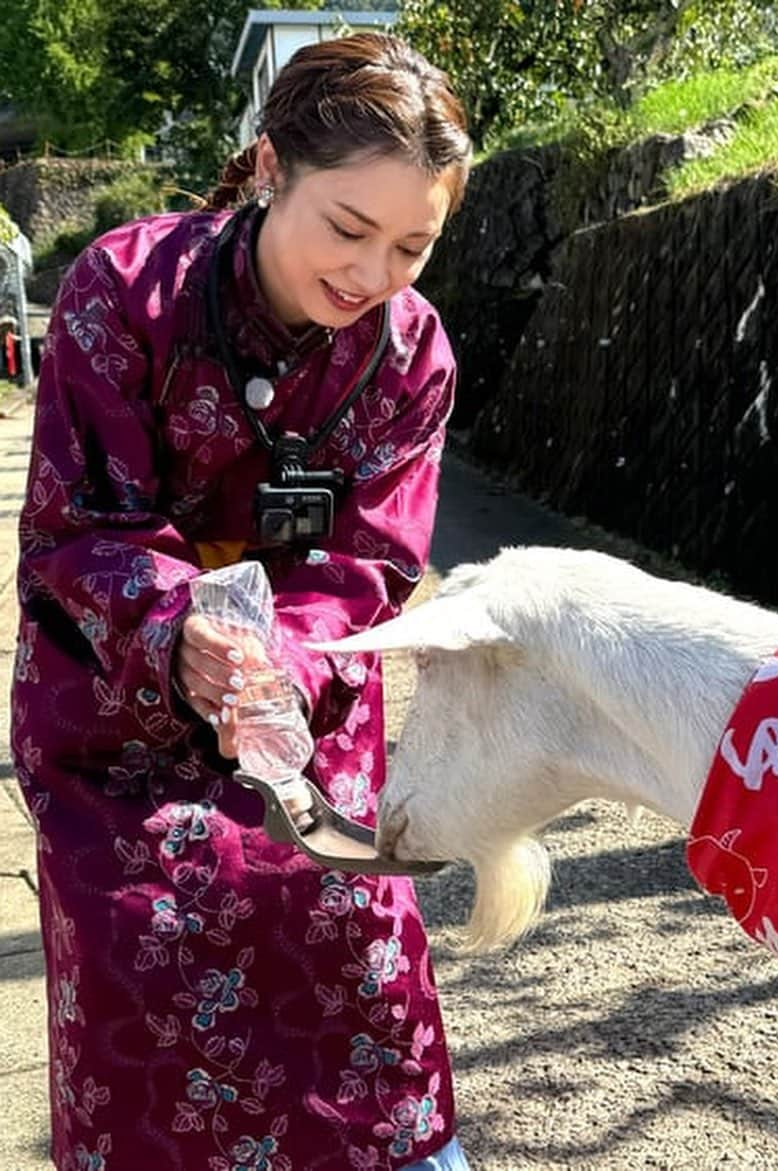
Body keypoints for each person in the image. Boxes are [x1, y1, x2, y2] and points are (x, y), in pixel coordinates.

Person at [12, 33, 473, 1171]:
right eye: (348, 230)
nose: (372, 276)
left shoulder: (411, 354)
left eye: (413, 245)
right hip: (120, 727)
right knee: (145, 987)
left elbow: (371, 566)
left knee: (365, 981)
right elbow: (79, 527)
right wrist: (184, 635)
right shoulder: (123, 290)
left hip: (303, 728)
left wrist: (286, 668)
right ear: (270, 168)